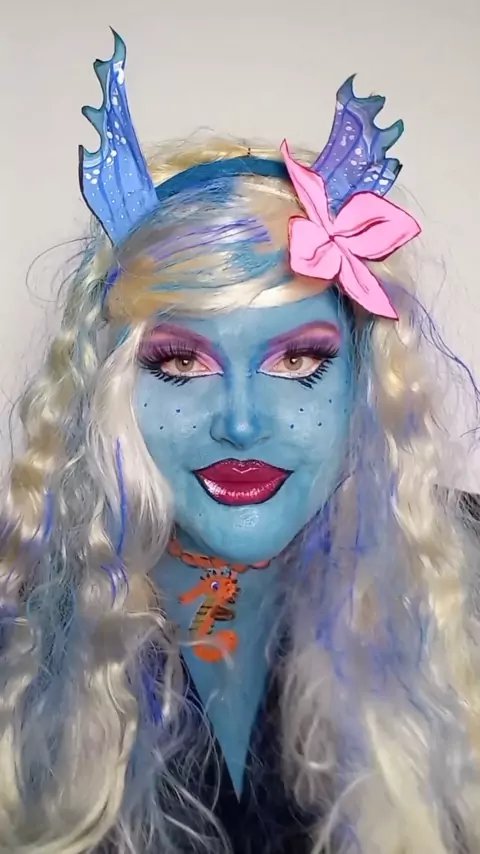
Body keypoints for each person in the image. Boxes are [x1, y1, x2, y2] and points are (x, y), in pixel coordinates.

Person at [1, 30, 479, 854]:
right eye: (181, 362)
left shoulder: (465, 567)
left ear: (362, 380)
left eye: (299, 359)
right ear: (112, 385)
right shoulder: (22, 612)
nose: (244, 422)